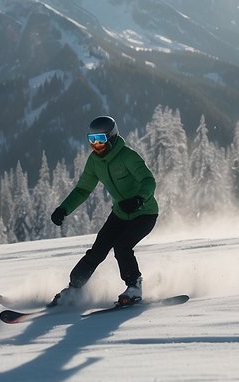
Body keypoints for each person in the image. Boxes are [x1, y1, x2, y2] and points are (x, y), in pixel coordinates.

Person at [49, 115, 158, 307]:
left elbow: (148, 180)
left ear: (112, 137)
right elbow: (83, 189)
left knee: (122, 246)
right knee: (97, 251)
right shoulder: (94, 162)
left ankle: (134, 286)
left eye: (100, 140)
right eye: (92, 140)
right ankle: (74, 289)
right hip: (120, 214)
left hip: (144, 213)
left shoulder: (127, 156)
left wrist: (138, 199)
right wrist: (63, 209)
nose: (96, 145)